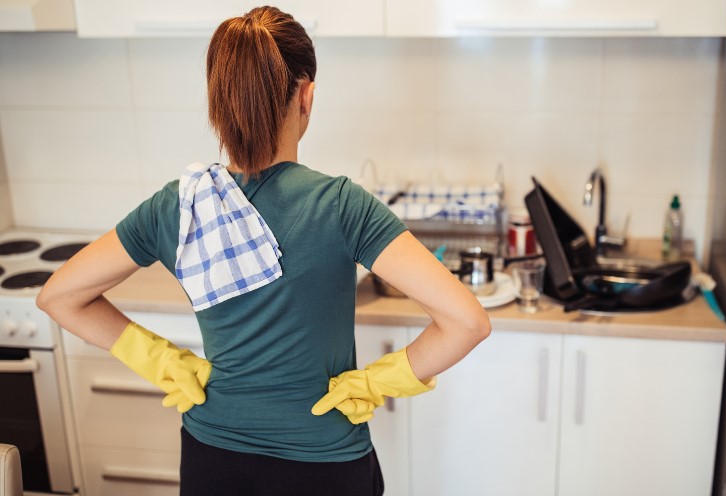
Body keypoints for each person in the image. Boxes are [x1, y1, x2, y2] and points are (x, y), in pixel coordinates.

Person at [36, 6, 490, 496]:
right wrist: (378, 381)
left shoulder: (180, 204)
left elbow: (58, 296)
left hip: (213, 457)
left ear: (219, 101)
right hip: (323, 460)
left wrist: (161, 360)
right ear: (307, 96)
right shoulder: (340, 205)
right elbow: (466, 321)